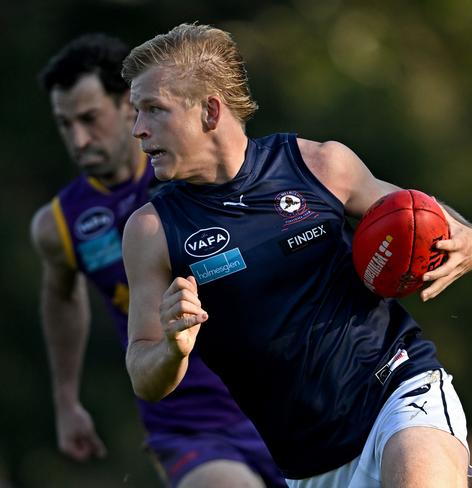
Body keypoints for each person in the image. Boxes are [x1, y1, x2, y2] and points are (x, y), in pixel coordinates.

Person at [121, 23, 472, 487]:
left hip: (398, 391)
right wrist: (174, 349)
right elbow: (143, 373)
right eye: (137, 112)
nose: (137, 129)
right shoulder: (152, 231)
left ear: (210, 112)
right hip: (311, 465)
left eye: (154, 109)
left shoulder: (319, 166)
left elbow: (424, 214)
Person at [30, 33, 286, 488]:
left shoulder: (211, 174)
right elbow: (60, 299)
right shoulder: (61, 224)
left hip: (282, 399)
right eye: (63, 124)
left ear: (130, 106)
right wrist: (66, 400)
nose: (78, 139)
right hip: (188, 424)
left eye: (89, 118)